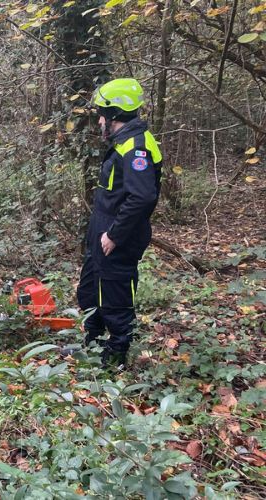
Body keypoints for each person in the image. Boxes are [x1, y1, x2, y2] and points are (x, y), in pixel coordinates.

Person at [76, 78, 162, 369]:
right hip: (102, 230)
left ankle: (115, 358)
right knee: (90, 290)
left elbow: (142, 197)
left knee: (115, 296)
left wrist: (113, 235)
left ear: (114, 115)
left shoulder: (137, 148)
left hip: (119, 236)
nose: (99, 119)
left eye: (102, 113)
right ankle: (93, 343)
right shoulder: (122, 142)